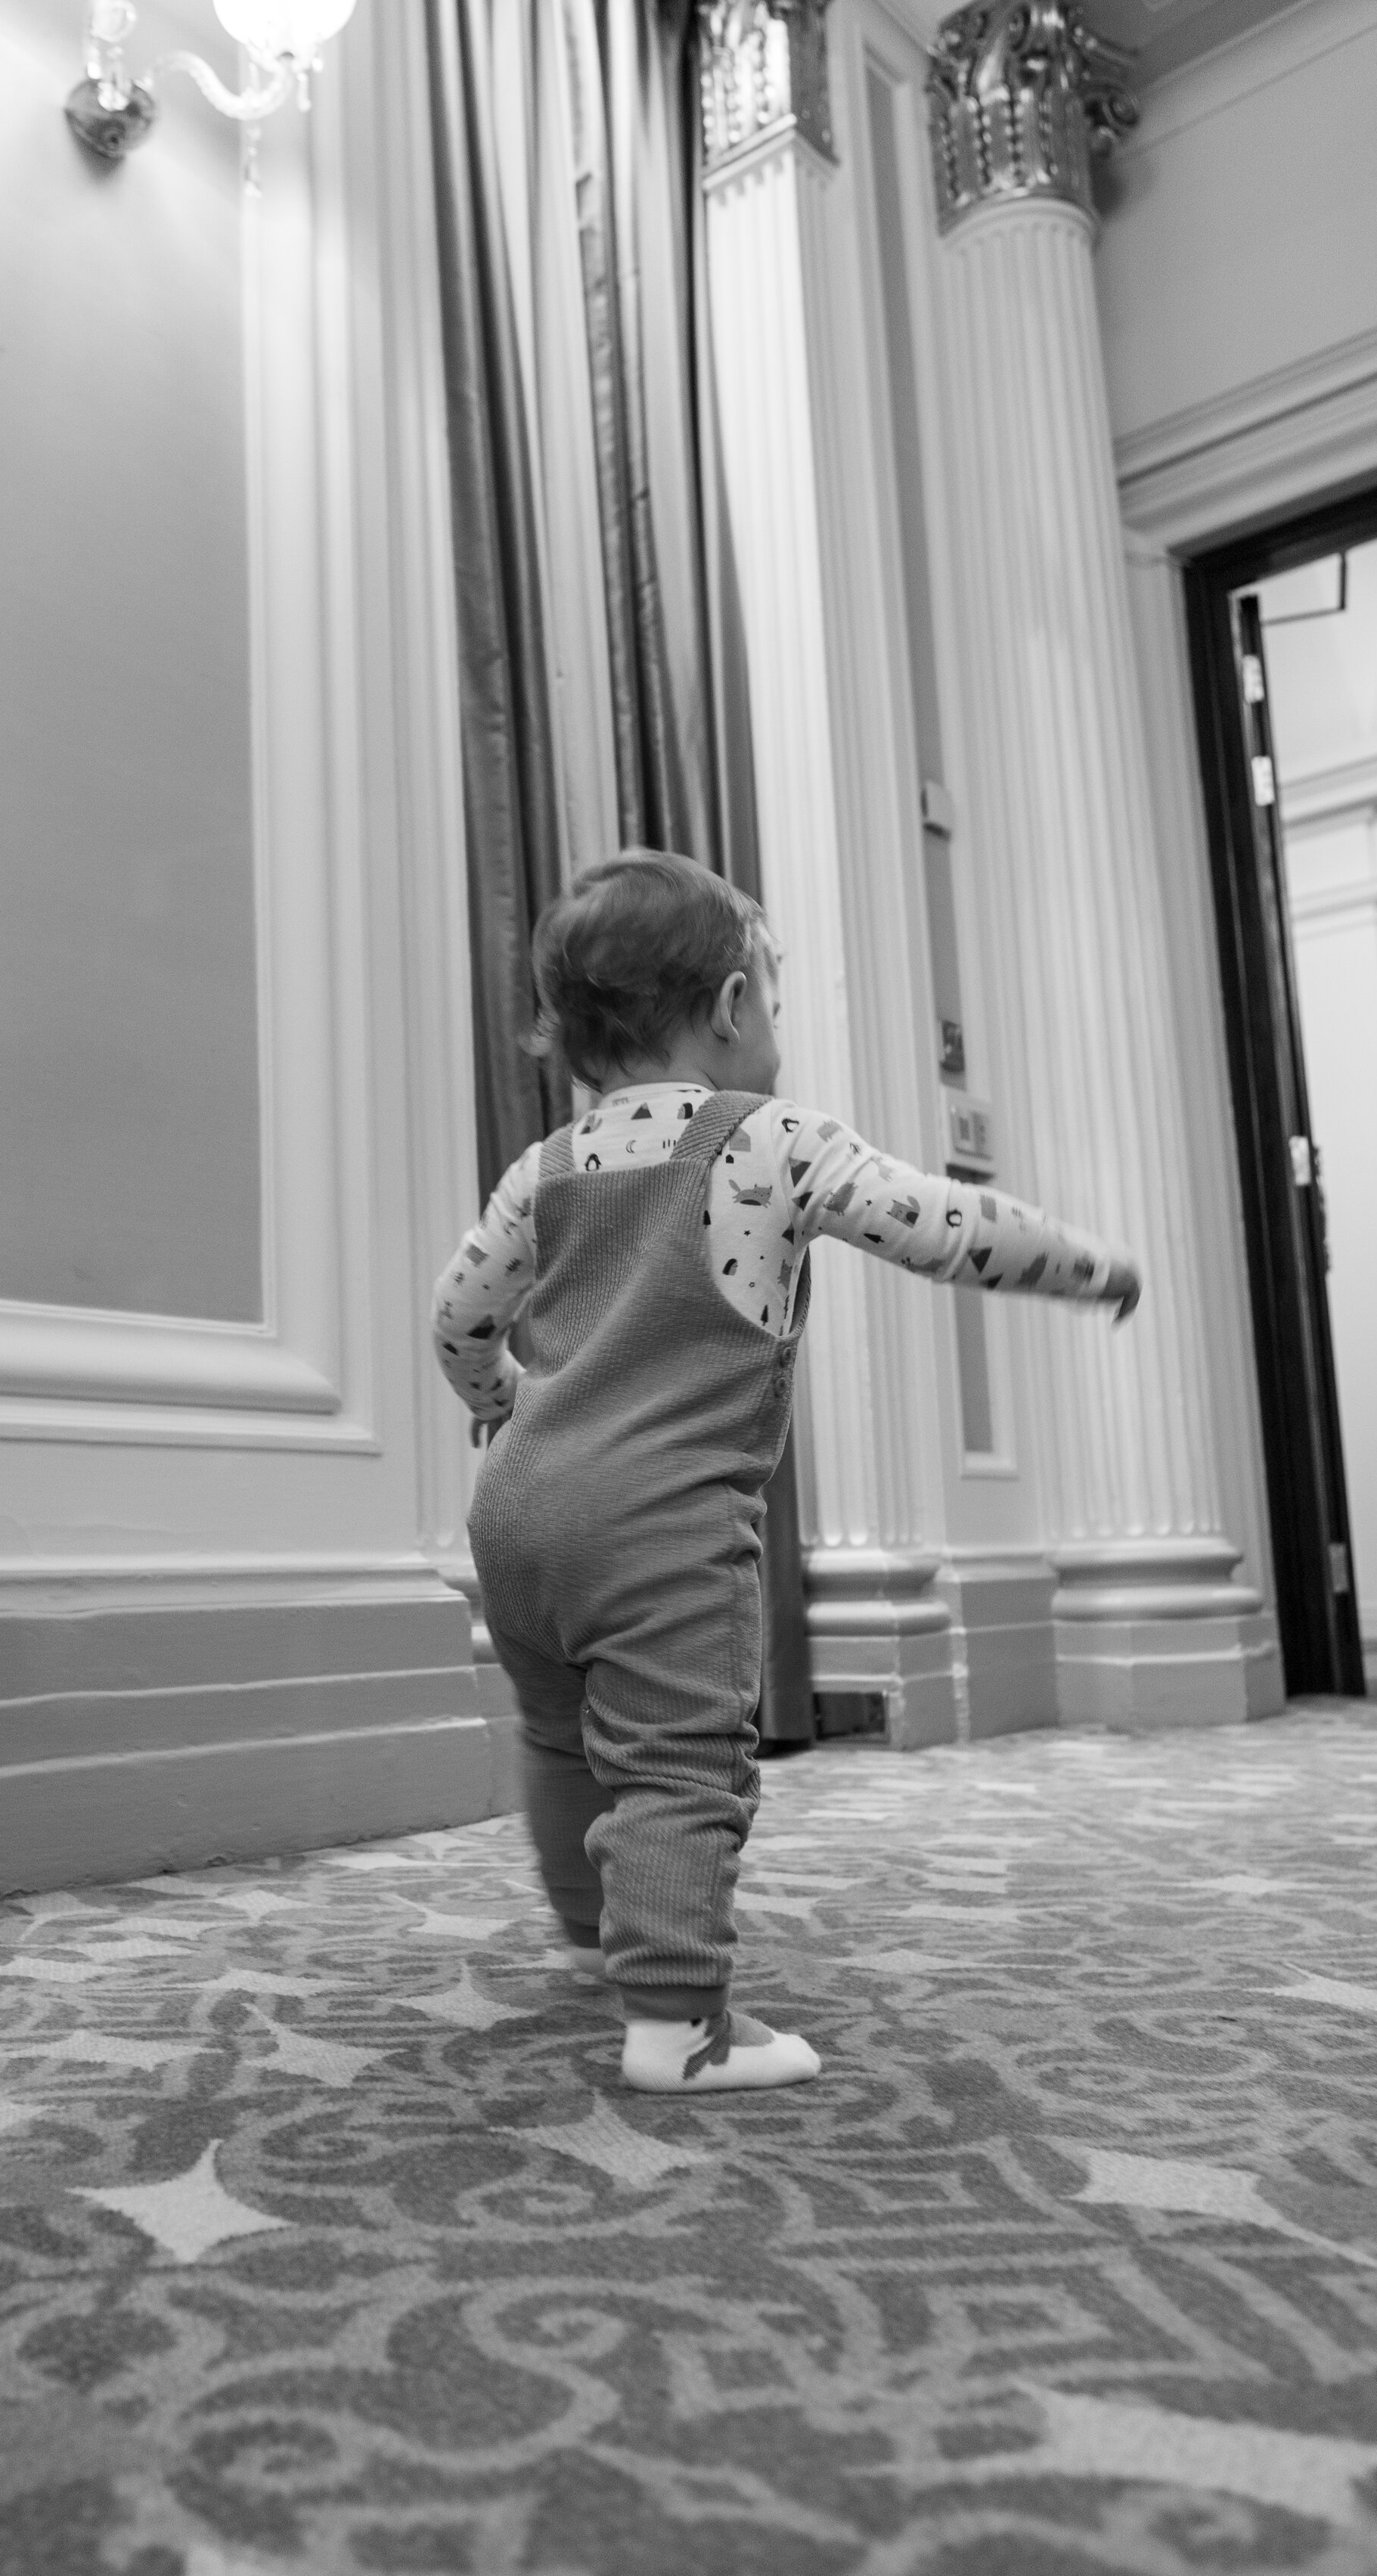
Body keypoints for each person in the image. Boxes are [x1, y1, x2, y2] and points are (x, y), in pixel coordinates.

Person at [432, 850, 1140, 2097]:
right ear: (729, 1006)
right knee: (680, 1761)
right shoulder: (769, 1140)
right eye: (773, 995)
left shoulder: (539, 1170)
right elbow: (941, 1226)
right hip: (660, 1525)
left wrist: (504, 1406)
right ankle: (677, 2023)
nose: (776, 1021)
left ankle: (597, 1934)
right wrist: (1084, 1262)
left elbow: (456, 1322)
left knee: (560, 1737)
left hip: (517, 1515)